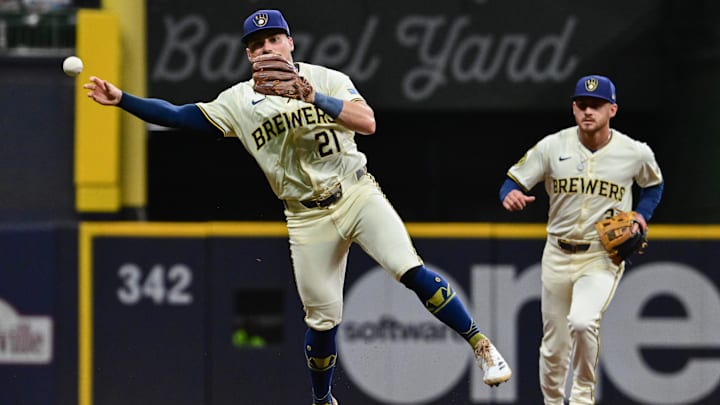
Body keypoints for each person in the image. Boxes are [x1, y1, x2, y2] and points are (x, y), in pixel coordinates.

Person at [84, 9, 511, 405]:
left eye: (274, 39)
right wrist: (123, 98)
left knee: (408, 267)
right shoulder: (237, 101)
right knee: (322, 320)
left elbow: (368, 122)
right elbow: (178, 116)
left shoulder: (324, 78)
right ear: (249, 55)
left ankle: (480, 344)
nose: (267, 48)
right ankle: (322, 400)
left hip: (356, 192)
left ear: (291, 43)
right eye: (258, 44)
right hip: (306, 216)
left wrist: (313, 97)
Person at [499, 75, 663, 404]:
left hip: (601, 256)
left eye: (597, 106)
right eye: (582, 105)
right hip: (557, 254)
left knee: (583, 321)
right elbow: (512, 180)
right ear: (574, 108)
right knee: (554, 346)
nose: (588, 111)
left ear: (612, 110)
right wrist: (511, 194)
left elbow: (653, 184)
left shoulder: (634, 152)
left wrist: (642, 215)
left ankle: (583, 398)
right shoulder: (552, 146)